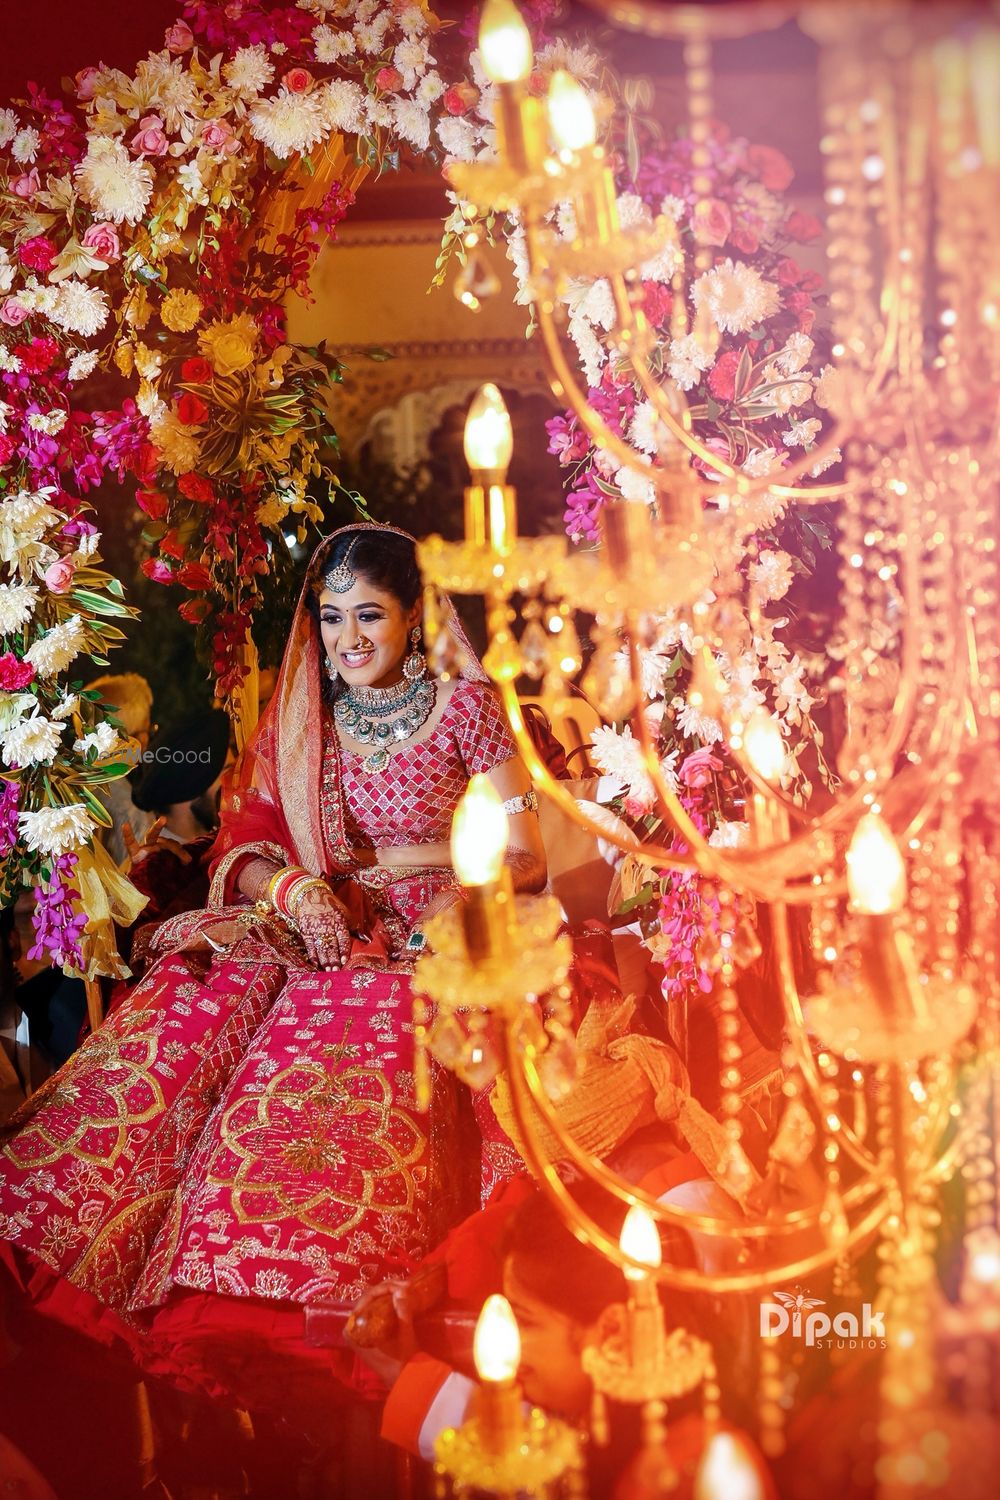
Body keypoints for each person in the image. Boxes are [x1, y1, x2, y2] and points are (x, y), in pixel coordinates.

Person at [0, 524, 547, 1416]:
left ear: (416, 616)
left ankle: (314, 1291)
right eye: (332, 618)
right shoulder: (303, 714)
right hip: (322, 917)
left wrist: (460, 901)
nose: (349, 638)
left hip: (436, 929)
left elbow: (524, 852)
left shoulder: (469, 704)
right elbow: (246, 842)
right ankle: (125, 1257)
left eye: (370, 614)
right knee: (197, 1006)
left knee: (390, 1058)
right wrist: (298, 892)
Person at [86, 671, 155, 865]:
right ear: (129, 739)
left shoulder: (66, 783)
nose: (146, 741)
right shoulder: (132, 811)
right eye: (147, 730)